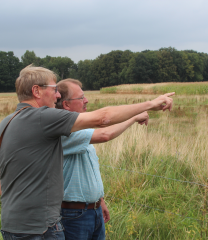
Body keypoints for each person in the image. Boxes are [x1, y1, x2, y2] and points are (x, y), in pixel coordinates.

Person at [0, 65, 175, 240]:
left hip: (13, 225)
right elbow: (103, 119)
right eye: (54, 89)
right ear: (36, 91)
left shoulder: (5, 124)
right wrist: (150, 104)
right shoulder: (42, 117)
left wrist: (23, 208)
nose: (57, 96)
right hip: (40, 229)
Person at [55, 79, 150, 240]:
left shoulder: (79, 129)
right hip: (74, 214)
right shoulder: (63, 131)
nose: (86, 101)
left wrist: (99, 202)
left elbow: (86, 170)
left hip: (92, 210)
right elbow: (105, 135)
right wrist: (133, 117)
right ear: (66, 105)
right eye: (81, 98)